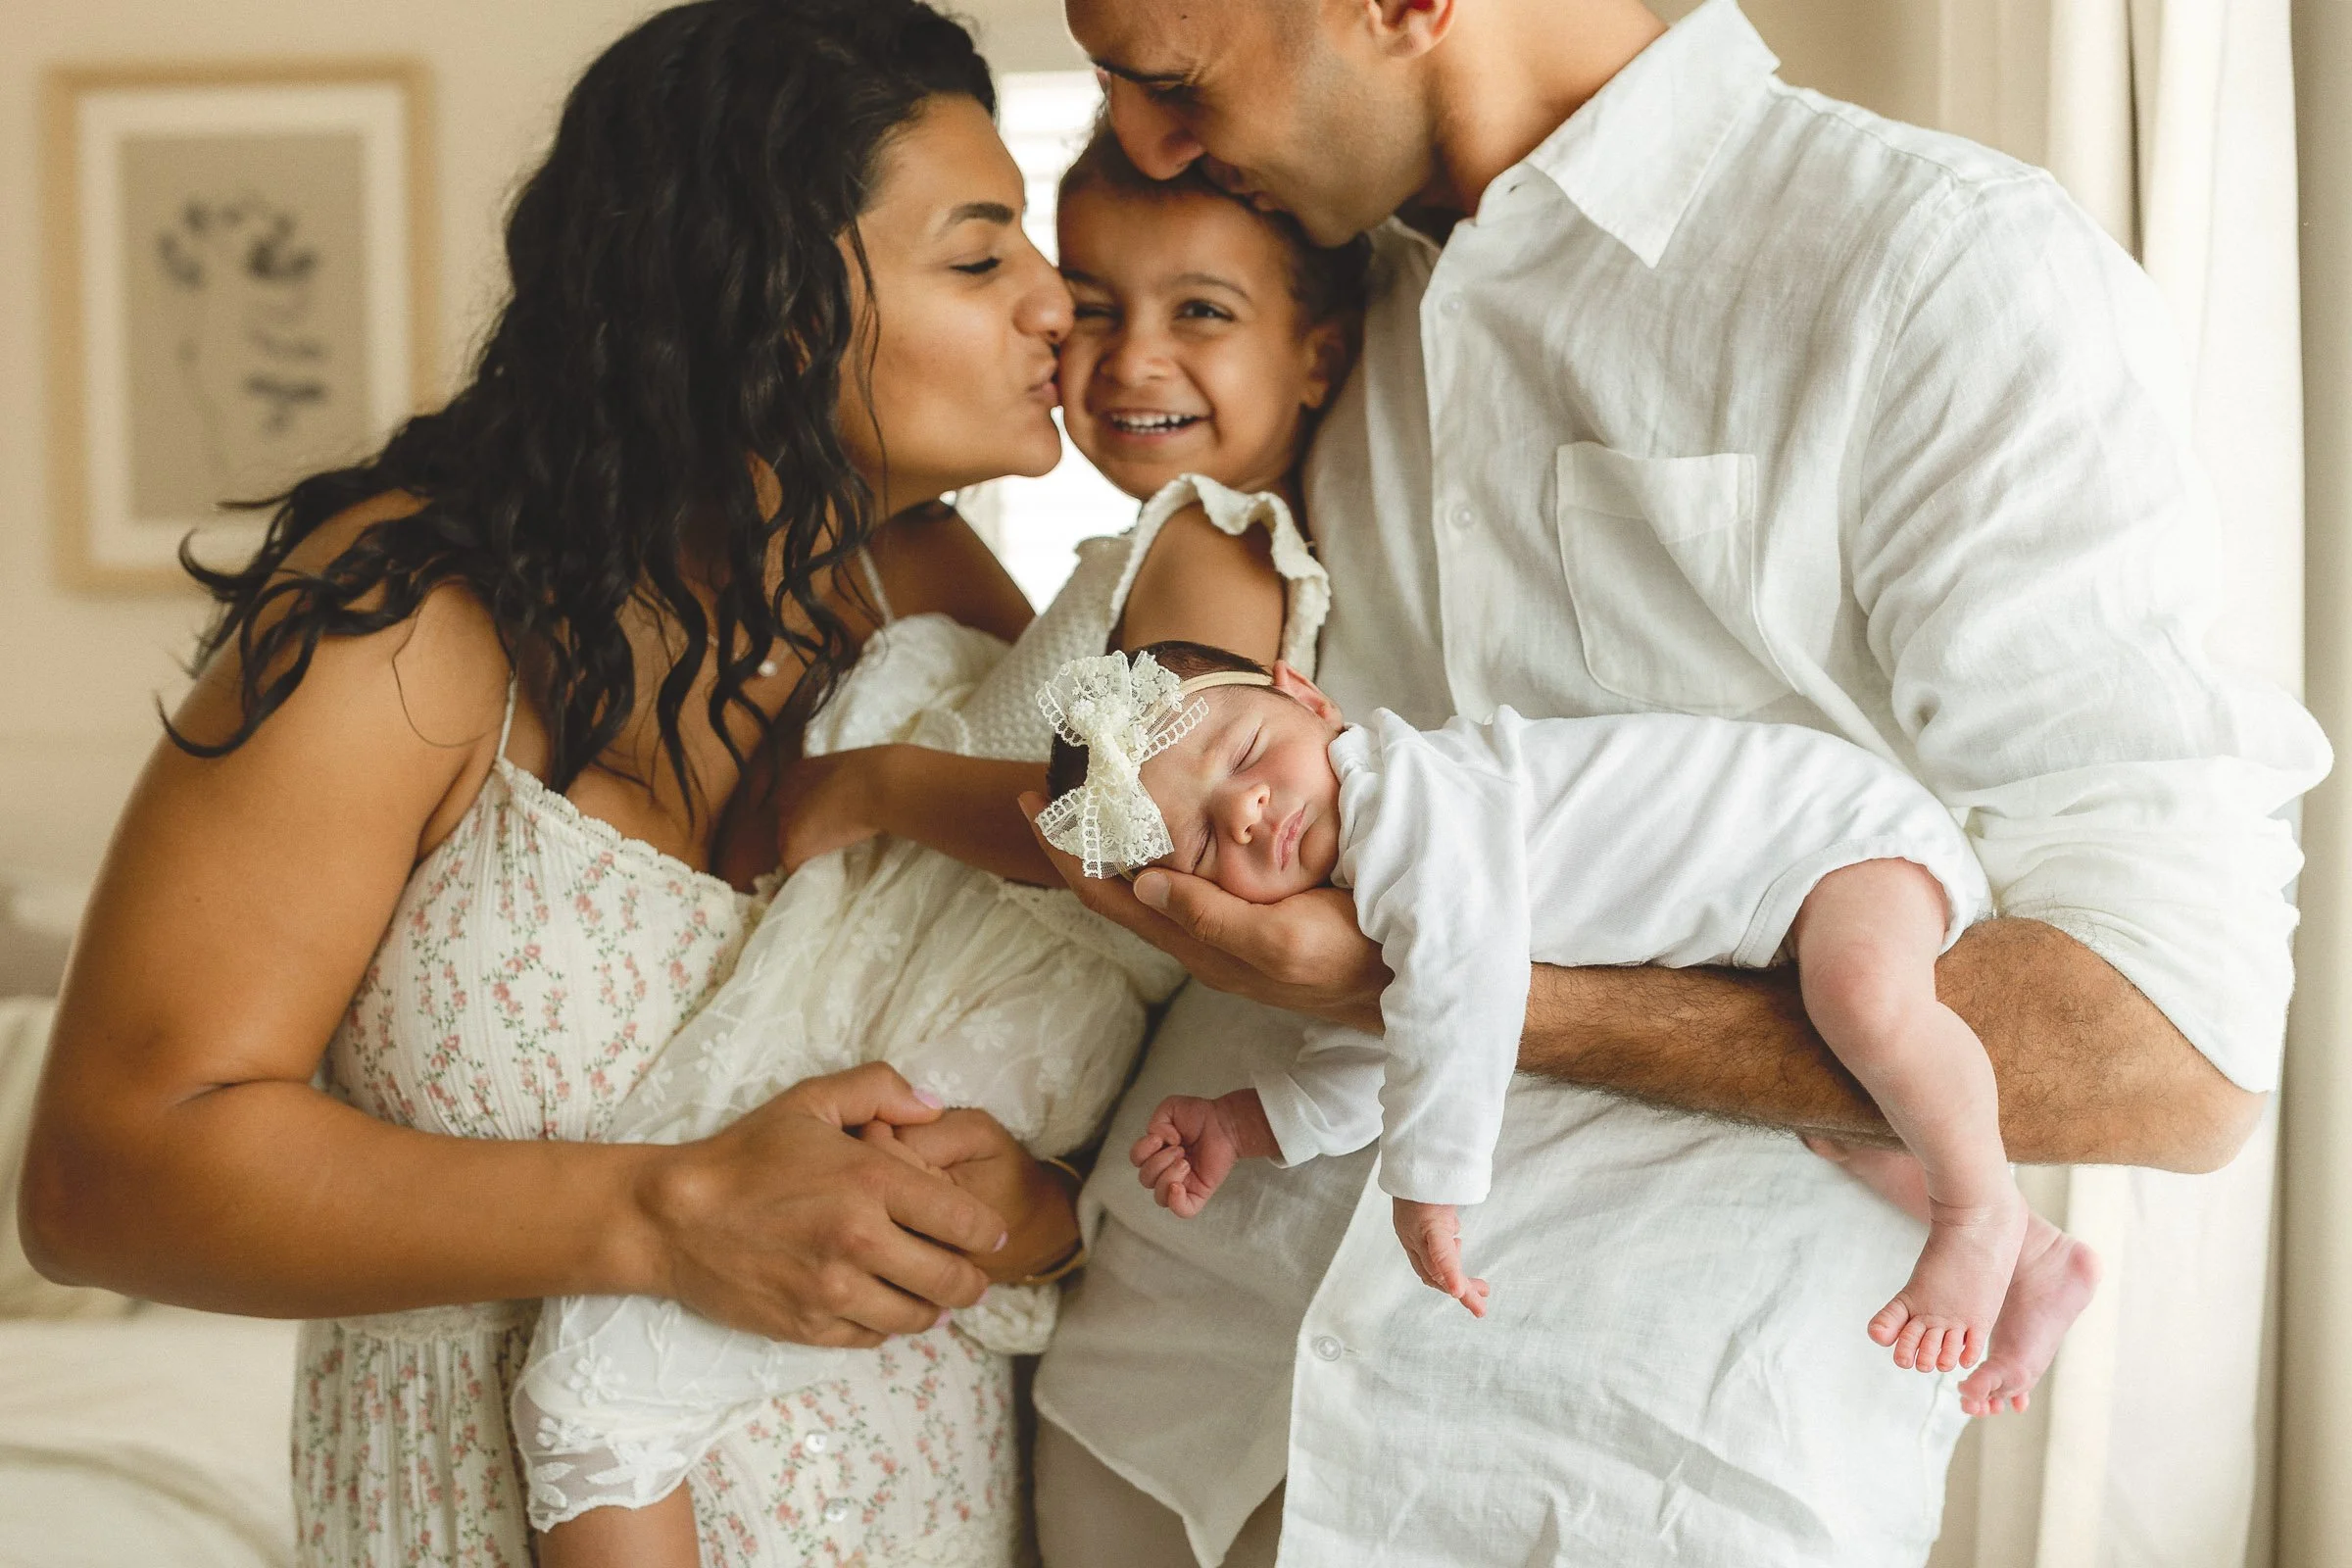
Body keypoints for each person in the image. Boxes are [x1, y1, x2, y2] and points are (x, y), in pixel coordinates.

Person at [1027, 1, 2334, 1564]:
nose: (1145, 140)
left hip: (1618, 1468)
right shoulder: (1304, 300)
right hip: (1159, 1404)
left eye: (1168, 78)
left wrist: (1437, 990)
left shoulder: (1931, 271)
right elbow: (1141, 713)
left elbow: (2176, 1051)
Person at [18, 5, 1107, 1563]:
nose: (1058, 306)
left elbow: (1085, 992)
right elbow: (103, 1174)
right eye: (983, 255)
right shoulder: (406, 627)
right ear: (771, 296)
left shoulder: (936, 598)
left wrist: (1032, 1192)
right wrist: (661, 1215)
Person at [510, 124, 1366, 1568]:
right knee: (633, 1351)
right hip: (960, 975)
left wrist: (882, 785)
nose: (1130, 357)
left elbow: (1121, 828)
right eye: (1096, 306)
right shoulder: (1130, 552)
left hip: (1003, 996)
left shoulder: (1219, 546)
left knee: (600, 1380)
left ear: (1318, 360)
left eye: (1200, 314)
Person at [1040, 638, 2092, 1412]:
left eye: (1248, 753)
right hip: (1772, 913)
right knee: (1842, 1115)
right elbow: (1394, 1031)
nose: (1250, 812)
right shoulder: (1364, 894)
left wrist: (1432, 1177)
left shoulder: (1406, 797)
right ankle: (2043, 1261)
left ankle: (1982, 1211)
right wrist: (1247, 1120)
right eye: (1199, 838)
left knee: (1867, 1000)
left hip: (1827, 836)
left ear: (1308, 696)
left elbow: (1465, 982)